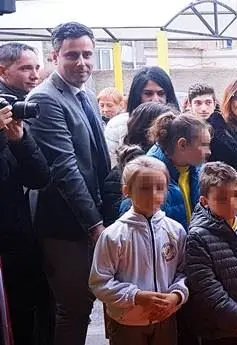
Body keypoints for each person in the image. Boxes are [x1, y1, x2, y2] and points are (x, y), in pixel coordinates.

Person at [26, 22, 112, 345]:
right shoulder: (46, 99)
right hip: (64, 225)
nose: (82, 62)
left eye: (88, 54)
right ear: (54, 56)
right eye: (72, 55)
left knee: (83, 305)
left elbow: (99, 161)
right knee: (73, 309)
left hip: (89, 219)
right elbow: (65, 169)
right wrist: (95, 225)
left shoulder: (86, 95)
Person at [90, 155, 189, 345]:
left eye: (160, 187)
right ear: (127, 191)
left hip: (165, 319)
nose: (153, 194)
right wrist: (136, 296)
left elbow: (184, 271)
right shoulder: (113, 235)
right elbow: (99, 283)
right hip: (127, 322)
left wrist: (175, 296)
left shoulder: (175, 230)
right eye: (144, 188)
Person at [183, 162, 237, 345]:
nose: (232, 203)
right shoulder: (197, 237)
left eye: (236, 194)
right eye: (222, 199)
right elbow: (207, 288)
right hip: (219, 330)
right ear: (204, 201)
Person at [0, 93, 51, 345]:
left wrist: (20, 140)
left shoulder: (8, 136)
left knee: (25, 322)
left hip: (18, 245)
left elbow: (39, 178)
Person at [120, 113, 211, 230]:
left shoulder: (198, 170)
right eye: (203, 145)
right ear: (182, 144)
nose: (209, 152)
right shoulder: (147, 175)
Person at [105, 66, 179, 167]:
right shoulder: (118, 125)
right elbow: (113, 166)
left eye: (161, 94)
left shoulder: (177, 126)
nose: (155, 99)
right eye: (148, 94)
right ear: (137, 95)